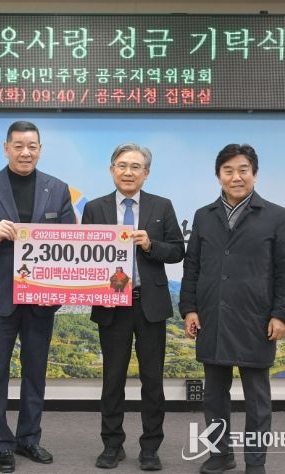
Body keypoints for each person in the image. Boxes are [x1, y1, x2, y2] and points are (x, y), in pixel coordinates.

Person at [0, 120, 75, 473]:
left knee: (35, 372)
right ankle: (0, 444)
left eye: (32, 146)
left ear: (40, 149)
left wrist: (59, 289)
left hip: (41, 297)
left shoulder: (58, 189)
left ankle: (29, 438)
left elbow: (71, 242)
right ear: (6, 147)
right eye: (19, 145)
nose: (26, 152)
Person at [179, 144, 285, 474]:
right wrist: (189, 309)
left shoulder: (276, 216)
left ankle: (255, 462)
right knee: (213, 396)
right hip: (212, 317)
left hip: (256, 319)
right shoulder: (204, 216)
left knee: (257, 398)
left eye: (243, 170)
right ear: (218, 175)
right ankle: (221, 455)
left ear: (254, 174)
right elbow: (192, 267)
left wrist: (281, 314)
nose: (236, 177)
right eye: (228, 170)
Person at [81, 143, 184, 471]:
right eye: (122, 165)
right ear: (112, 170)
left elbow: (177, 250)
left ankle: (150, 447)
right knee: (112, 380)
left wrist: (151, 245)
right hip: (112, 304)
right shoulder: (95, 208)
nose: (128, 172)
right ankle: (112, 445)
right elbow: (84, 255)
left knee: (152, 380)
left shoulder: (162, 206)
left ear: (146, 173)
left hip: (149, 304)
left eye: (135, 166)